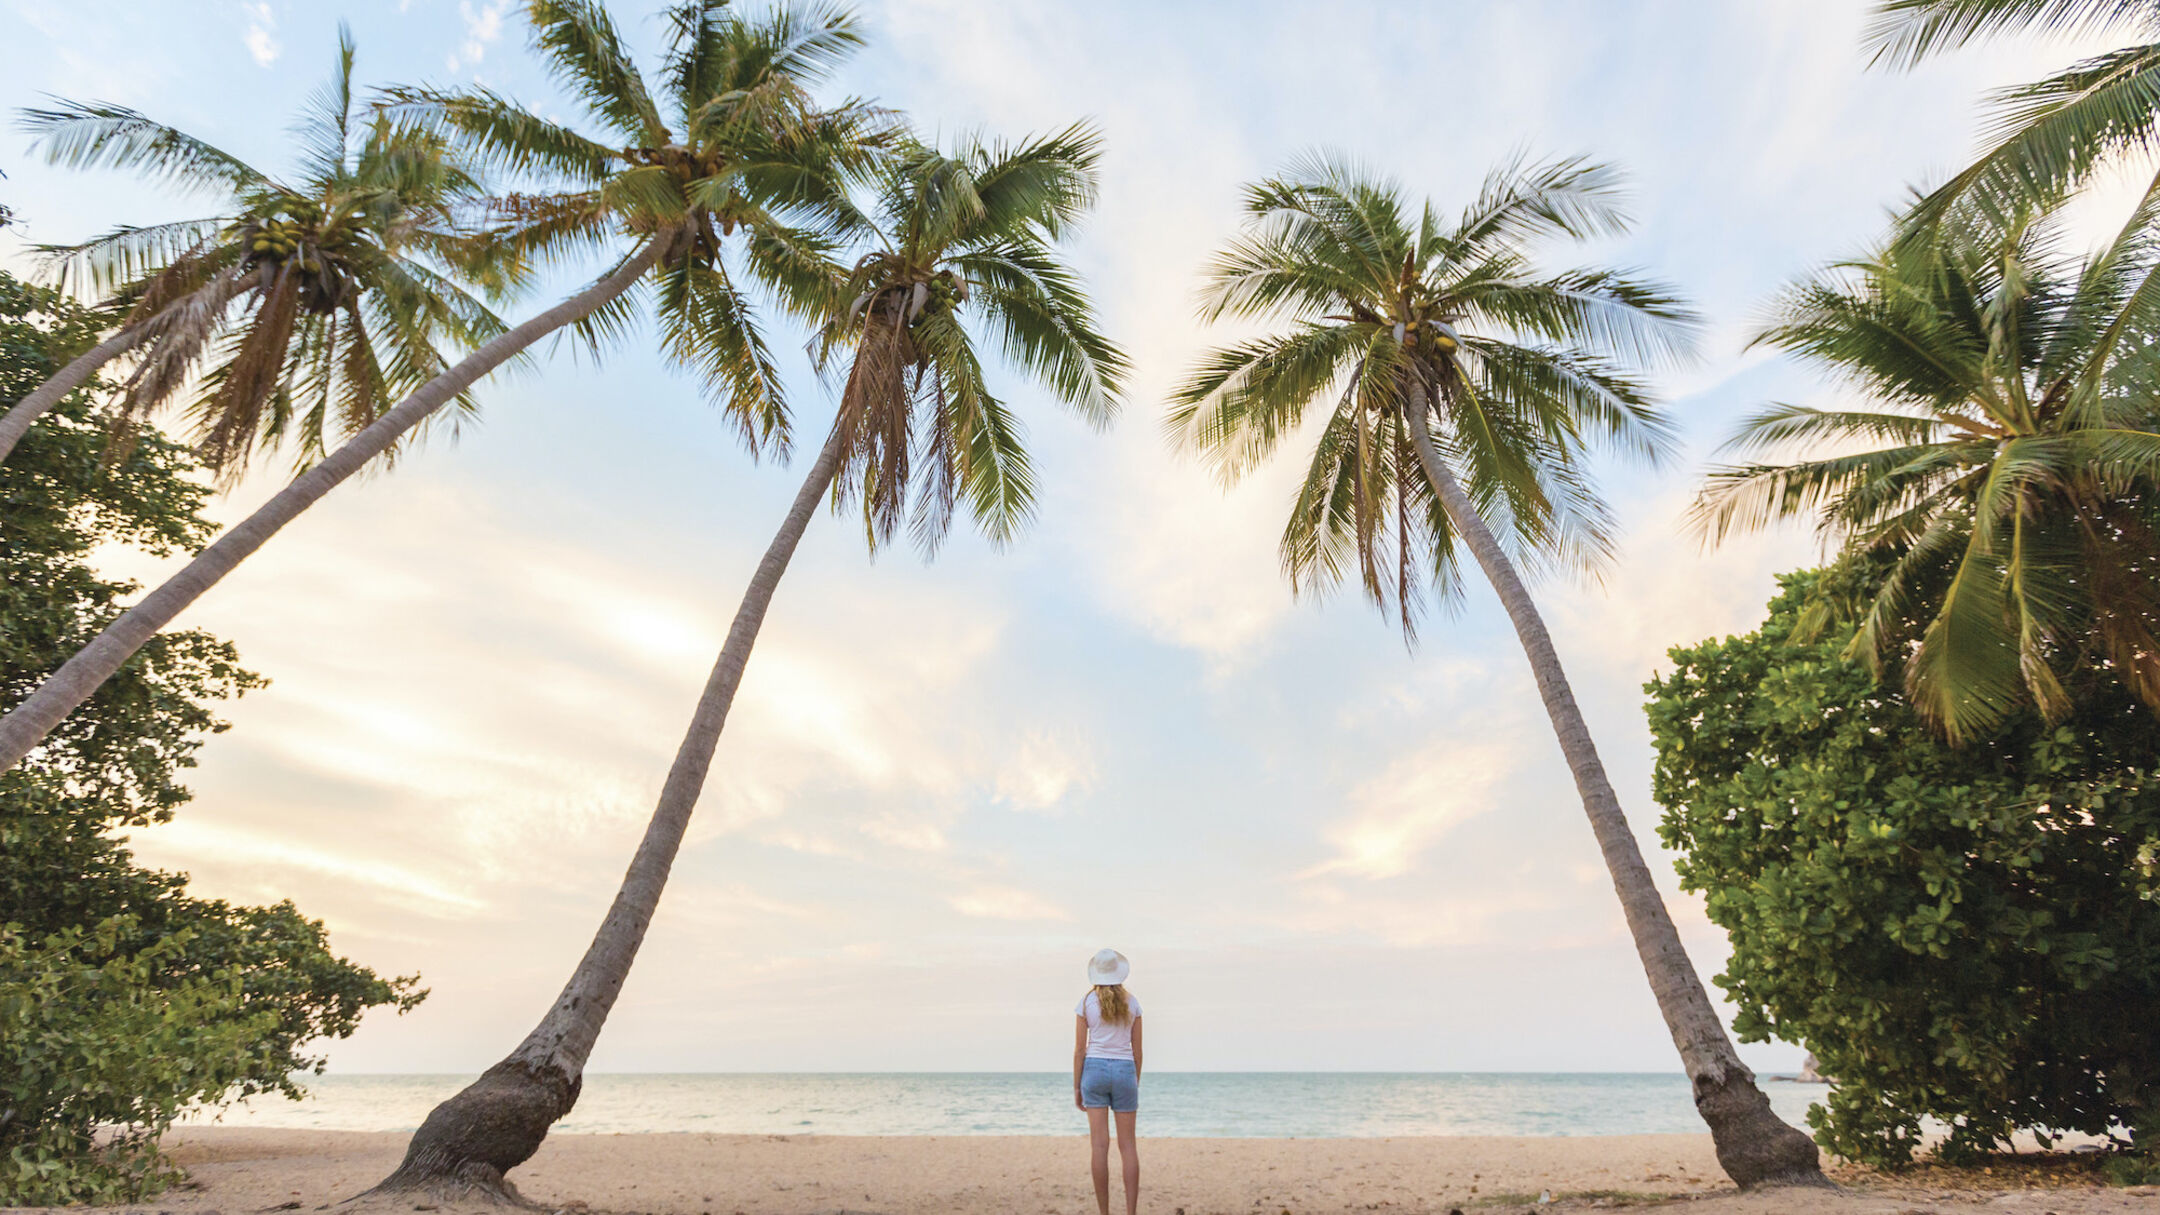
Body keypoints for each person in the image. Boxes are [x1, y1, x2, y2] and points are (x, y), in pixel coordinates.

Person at [1073, 947, 1142, 1215]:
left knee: (1099, 1147)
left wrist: (1077, 1086)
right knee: (1128, 1147)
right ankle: (1131, 1212)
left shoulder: (1086, 1002)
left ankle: (1104, 1213)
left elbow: (1080, 1050)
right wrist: (1133, 1080)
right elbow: (1138, 1051)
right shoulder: (1133, 1003)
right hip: (1125, 1070)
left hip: (1094, 1071)